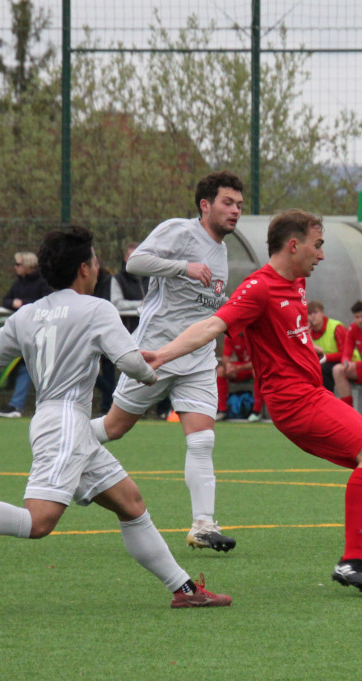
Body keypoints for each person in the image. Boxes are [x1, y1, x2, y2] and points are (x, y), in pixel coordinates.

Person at [0, 226, 230, 609]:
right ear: (84, 268)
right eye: (95, 260)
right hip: (68, 422)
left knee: (131, 504)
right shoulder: (97, 309)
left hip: (61, 422)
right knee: (38, 523)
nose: (98, 267)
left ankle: (184, 590)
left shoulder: (28, 314)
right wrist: (154, 372)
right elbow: (132, 363)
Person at [141, 209, 362, 594]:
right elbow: (212, 326)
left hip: (312, 395)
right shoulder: (258, 287)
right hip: (294, 402)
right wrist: (162, 355)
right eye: (318, 245)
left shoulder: (295, 284)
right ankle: (351, 561)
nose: (322, 255)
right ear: (294, 245)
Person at [91, 171, 244, 554]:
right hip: (154, 353)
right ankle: (62, 440)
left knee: (203, 439)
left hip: (197, 359)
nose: (235, 211)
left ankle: (203, 526)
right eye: (228, 202)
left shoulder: (223, 250)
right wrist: (183, 267)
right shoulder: (180, 231)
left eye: (240, 205)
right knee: (114, 428)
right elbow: (135, 263)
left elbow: (207, 307)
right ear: (205, 205)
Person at [0, 251, 52, 419]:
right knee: (24, 368)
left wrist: (24, 304)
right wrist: (14, 303)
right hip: (22, 333)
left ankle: (23, 405)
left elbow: (46, 303)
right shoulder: (18, 283)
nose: (15, 267)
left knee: (35, 369)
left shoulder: (43, 283)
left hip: (39, 334)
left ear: (28, 266)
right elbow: (6, 300)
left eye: (18, 264)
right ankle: (16, 405)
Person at [92, 253, 118, 415]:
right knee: (89, 368)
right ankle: (111, 395)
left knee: (108, 369)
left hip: (106, 330)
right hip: (91, 330)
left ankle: (107, 405)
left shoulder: (108, 281)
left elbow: (108, 303)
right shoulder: (82, 282)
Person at [307, 300, 349, 387]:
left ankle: (327, 397)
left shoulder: (337, 327)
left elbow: (346, 353)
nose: (312, 316)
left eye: (315, 312)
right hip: (324, 363)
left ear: (323, 313)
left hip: (345, 362)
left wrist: (325, 358)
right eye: (309, 313)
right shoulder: (307, 331)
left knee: (322, 369)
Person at [111, 241, 146, 333]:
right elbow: (117, 304)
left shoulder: (151, 278)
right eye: (132, 257)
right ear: (126, 259)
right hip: (128, 332)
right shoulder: (118, 280)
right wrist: (141, 304)